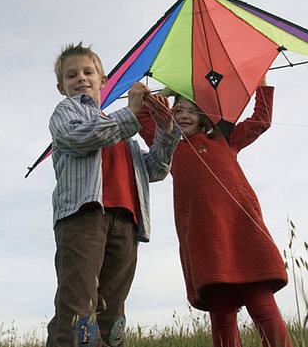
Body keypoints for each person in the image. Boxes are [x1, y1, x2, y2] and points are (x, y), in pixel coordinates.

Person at [138, 78, 293, 347]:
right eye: (178, 109)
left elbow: (261, 120)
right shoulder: (168, 144)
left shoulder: (225, 139)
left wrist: (262, 84)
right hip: (205, 239)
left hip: (243, 232)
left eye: (191, 110)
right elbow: (143, 114)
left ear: (204, 117)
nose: (184, 115)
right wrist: (168, 90)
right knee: (221, 314)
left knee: (263, 306)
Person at [47, 42, 181, 347]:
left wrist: (164, 130)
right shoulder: (68, 111)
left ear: (103, 79)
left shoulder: (124, 132)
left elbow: (155, 171)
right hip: (84, 216)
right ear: (61, 87)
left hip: (127, 220)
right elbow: (76, 137)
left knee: (112, 309)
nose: (80, 78)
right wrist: (132, 112)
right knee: (78, 306)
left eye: (87, 71)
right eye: (71, 75)